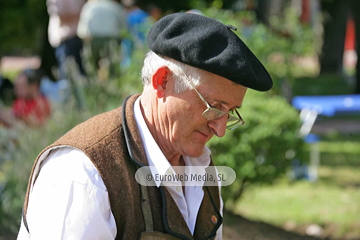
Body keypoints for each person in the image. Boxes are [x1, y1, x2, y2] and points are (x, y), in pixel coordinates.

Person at [17, 13, 272, 239]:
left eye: (231, 112)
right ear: (162, 82)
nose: (221, 129)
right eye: (214, 106)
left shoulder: (200, 165)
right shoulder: (83, 174)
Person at [77, 0, 127, 78]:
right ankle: (113, 86)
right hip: (111, 40)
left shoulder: (89, 6)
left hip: (92, 40)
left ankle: (93, 85)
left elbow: (82, 30)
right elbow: (123, 28)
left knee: (92, 68)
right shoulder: (115, 6)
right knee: (112, 68)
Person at [47, 0, 86, 81]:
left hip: (75, 38)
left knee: (75, 78)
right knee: (68, 79)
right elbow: (62, 14)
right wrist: (82, 15)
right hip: (66, 39)